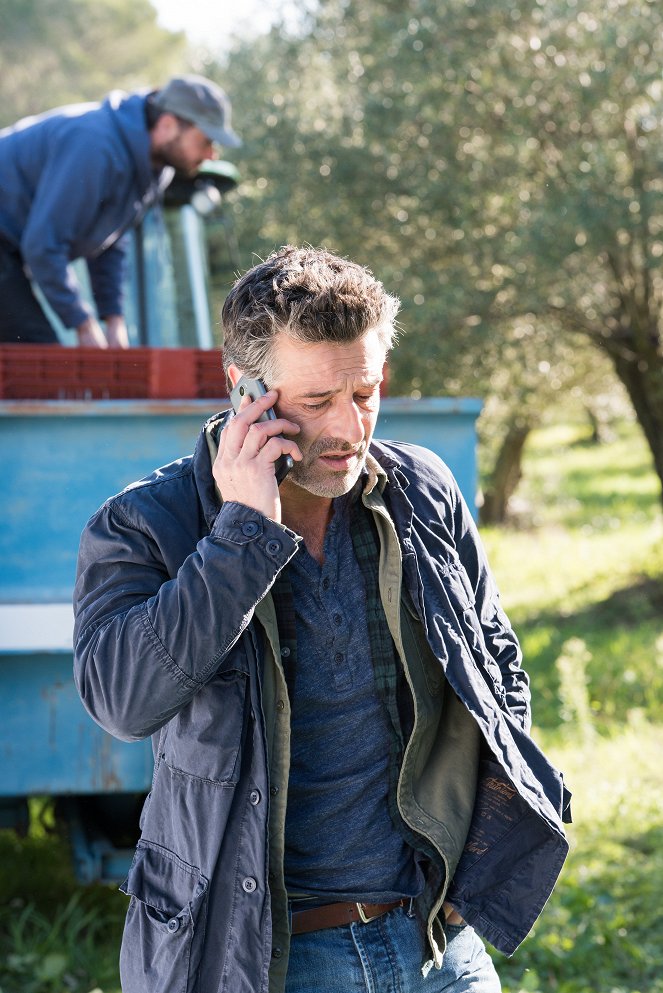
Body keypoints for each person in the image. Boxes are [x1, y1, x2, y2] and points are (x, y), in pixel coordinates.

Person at [73, 246, 571, 993]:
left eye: (365, 392)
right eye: (315, 402)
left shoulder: (420, 489)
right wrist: (242, 534)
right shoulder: (145, 525)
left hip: (437, 944)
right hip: (266, 960)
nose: (348, 427)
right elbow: (121, 701)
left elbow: (493, 657)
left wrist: (475, 849)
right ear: (244, 390)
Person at [0, 74, 240, 348]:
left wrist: (113, 320)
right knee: (37, 356)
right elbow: (43, 244)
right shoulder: (95, 146)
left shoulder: (155, 171)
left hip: (10, 251)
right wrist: (83, 323)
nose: (211, 154)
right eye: (206, 140)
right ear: (168, 124)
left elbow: (109, 242)